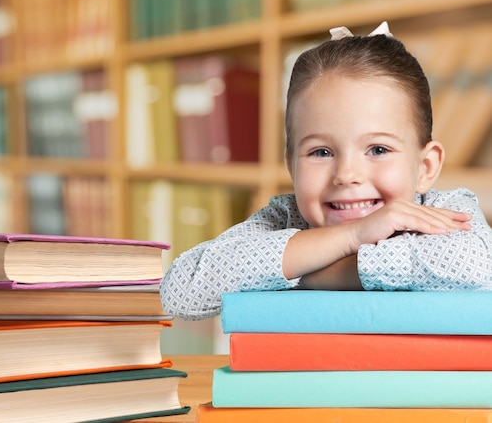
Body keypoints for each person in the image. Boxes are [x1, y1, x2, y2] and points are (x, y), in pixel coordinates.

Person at [160, 22, 492, 321]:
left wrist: (314, 275)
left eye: (378, 150)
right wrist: (353, 235)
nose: (347, 175)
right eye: (321, 152)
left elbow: (479, 267)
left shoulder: (443, 211)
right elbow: (181, 290)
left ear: (425, 167)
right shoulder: (283, 218)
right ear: (292, 165)